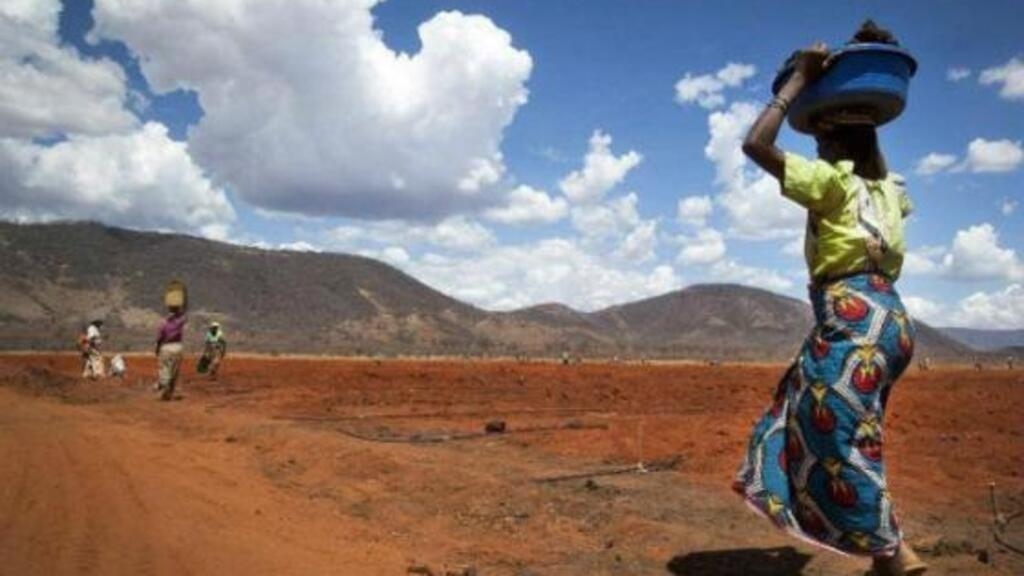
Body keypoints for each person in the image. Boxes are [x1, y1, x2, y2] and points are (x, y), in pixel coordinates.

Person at [733, 40, 927, 576]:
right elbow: (873, 161)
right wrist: (860, 128)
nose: (815, 148)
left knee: (835, 436)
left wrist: (798, 79)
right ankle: (884, 549)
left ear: (832, 140)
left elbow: (755, 144)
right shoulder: (889, 190)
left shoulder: (832, 184)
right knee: (812, 413)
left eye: (820, 137)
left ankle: (892, 552)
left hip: (854, 323)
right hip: (893, 324)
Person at [155, 306, 187, 401]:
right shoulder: (178, 324)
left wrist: (157, 349)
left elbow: (159, 339)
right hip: (178, 347)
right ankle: (169, 392)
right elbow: (184, 317)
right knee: (174, 371)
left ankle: (165, 387)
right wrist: (181, 308)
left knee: (164, 368)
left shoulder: (163, 325)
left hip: (166, 347)